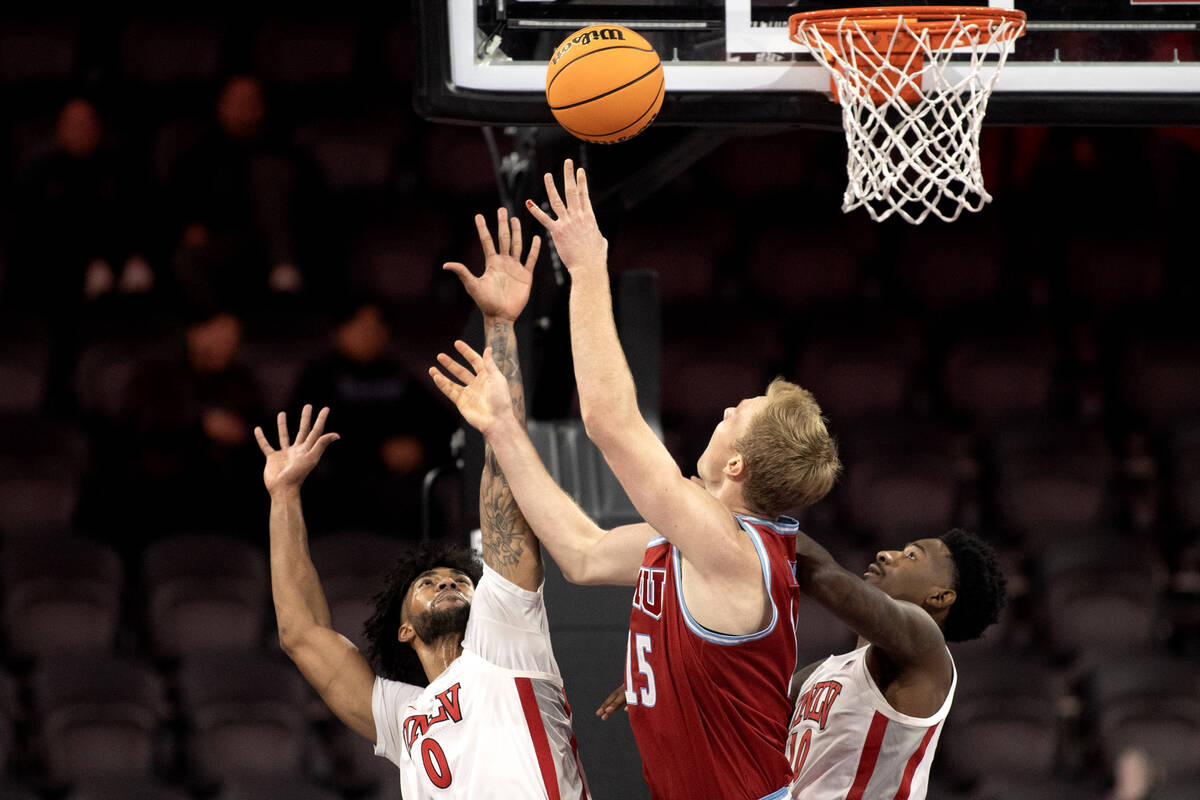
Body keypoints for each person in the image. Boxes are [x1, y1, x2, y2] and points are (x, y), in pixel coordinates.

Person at [431, 161, 842, 800]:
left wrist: (588, 268)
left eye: (743, 413)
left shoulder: (730, 550)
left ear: (738, 466)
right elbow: (583, 554)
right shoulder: (694, 541)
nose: (728, 409)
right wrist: (505, 430)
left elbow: (610, 423)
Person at [254, 208, 590, 799]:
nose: (446, 581)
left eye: (457, 577)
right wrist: (284, 498)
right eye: (429, 580)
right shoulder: (403, 713)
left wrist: (500, 326)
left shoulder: (507, 642)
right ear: (404, 630)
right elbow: (302, 634)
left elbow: (503, 503)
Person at [782, 528, 1006, 800]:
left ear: (940, 596)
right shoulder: (824, 672)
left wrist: (761, 517)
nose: (886, 555)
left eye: (911, 556)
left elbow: (823, 577)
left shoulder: (926, 647)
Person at [290, 295, 455, 531]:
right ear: (340, 331)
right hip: (342, 489)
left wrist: (421, 449)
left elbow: (443, 424)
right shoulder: (318, 378)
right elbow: (308, 438)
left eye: (377, 326)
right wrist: (377, 453)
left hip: (403, 489)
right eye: (361, 326)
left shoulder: (399, 376)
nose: (370, 334)